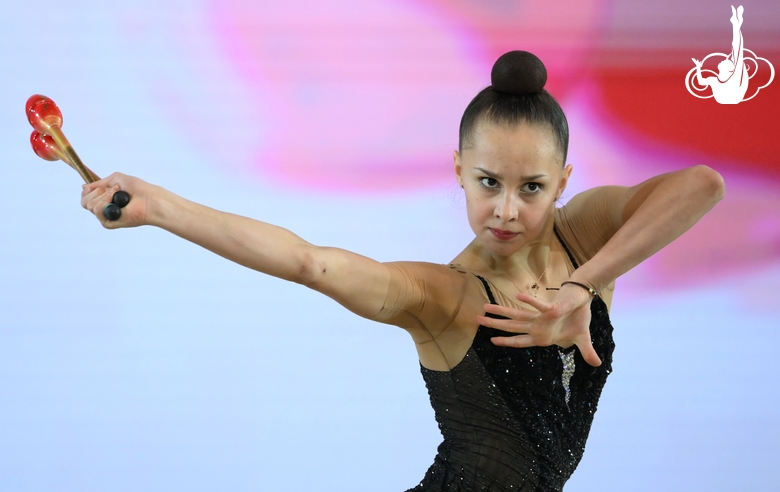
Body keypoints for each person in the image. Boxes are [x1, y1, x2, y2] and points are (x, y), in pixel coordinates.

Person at [81, 50, 725, 491]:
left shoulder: (589, 238)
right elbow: (311, 262)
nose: (506, 209)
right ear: (458, 172)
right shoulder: (442, 295)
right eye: (486, 182)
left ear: (563, 181)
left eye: (531, 187)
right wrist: (160, 207)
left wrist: (583, 286)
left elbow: (701, 184)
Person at [692, 5, 748, 104]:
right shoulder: (717, 79)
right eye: (727, 60)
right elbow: (701, 82)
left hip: (731, 96)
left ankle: (736, 24)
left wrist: (698, 68)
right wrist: (698, 67)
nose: (724, 59)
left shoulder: (732, 77)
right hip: (729, 97)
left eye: (726, 61)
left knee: (737, 50)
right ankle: (736, 24)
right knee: (737, 51)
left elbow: (738, 49)